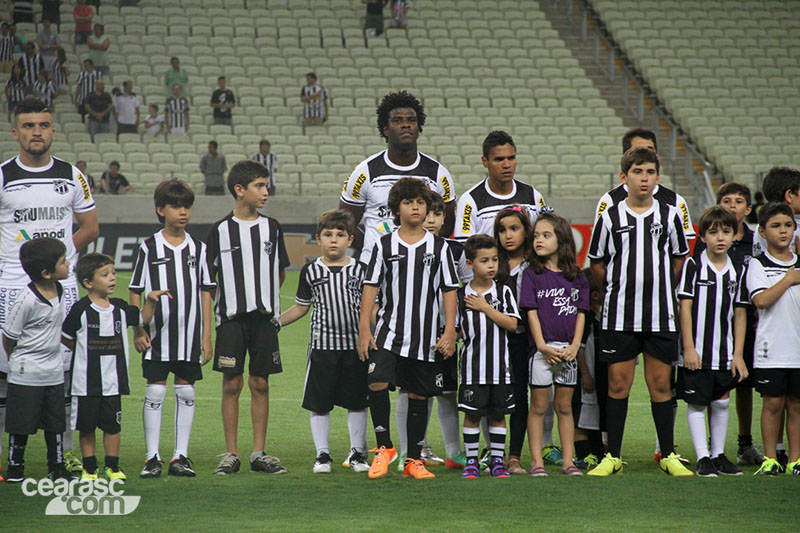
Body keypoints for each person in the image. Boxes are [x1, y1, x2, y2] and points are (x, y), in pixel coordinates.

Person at [0, 99, 99, 476]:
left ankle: (65, 454)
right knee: (9, 375)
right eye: (28, 126)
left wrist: (55, 259)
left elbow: (89, 227)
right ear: (15, 133)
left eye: (43, 125)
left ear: (53, 130)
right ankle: (11, 458)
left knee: (66, 370)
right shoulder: (3, 175)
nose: (36, 132)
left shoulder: (72, 175)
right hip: (11, 286)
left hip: (63, 288)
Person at [587, 146, 693, 476]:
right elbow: (597, 263)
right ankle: (613, 457)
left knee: (661, 385)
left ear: (657, 178)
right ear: (624, 177)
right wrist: (620, 285)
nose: (643, 178)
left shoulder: (670, 214)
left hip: (661, 315)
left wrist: (660, 286)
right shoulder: (610, 216)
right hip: (619, 315)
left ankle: (667, 455)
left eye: (649, 172)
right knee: (618, 385)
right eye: (637, 172)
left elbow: (679, 258)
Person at [357, 177, 458, 480]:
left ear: (427, 207)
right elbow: (370, 287)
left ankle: (414, 459)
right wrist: (364, 329)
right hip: (388, 334)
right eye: (408, 202)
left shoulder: (439, 247)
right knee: (376, 381)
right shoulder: (384, 244)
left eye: (420, 202)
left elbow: (450, 290)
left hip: (425, 338)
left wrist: (450, 331)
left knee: (418, 395)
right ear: (396, 208)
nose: (415, 207)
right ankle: (384, 447)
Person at [206, 160, 290, 476]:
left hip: (264, 319)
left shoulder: (272, 227)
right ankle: (231, 453)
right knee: (231, 383)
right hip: (231, 320)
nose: (266, 192)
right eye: (259, 186)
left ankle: (258, 453)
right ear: (240, 190)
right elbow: (209, 279)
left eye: (266, 186)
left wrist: (263, 298)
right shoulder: (219, 230)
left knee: (260, 383)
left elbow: (280, 272)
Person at [130, 180, 215, 479]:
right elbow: (136, 290)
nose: (183, 212)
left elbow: (206, 292)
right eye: (177, 206)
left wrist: (206, 335)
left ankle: (181, 455)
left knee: (186, 390)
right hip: (157, 336)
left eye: (187, 206)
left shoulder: (199, 248)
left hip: (189, 335)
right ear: (160, 209)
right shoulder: (148, 246)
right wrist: (138, 330)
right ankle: (152, 457)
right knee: (154, 391)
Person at [279, 209, 370, 474]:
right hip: (322, 348)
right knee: (319, 403)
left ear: (350, 240)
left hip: (356, 349)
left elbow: (371, 307)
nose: (334, 240)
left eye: (340, 235)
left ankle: (357, 453)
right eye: (328, 235)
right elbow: (300, 307)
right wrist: (274, 323)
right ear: (318, 239)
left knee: (357, 401)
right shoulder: (310, 271)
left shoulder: (360, 270)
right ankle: (322, 454)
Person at [62, 253, 166, 481]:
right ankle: (90, 468)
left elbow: (143, 319)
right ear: (88, 282)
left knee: (113, 427)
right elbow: (66, 337)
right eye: (105, 274)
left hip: (113, 382)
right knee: (87, 428)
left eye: (113, 273)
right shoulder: (80, 310)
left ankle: (112, 466)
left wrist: (150, 300)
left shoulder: (119, 308)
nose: (112, 278)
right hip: (85, 383)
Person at [394, 192, 471, 472]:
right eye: (427, 214)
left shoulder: (455, 250)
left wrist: (457, 329)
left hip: (445, 333)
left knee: (447, 392)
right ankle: (409, 450)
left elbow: (470, 289)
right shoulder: (401, 245)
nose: (431, 220)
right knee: (410, 391)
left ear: (444, 217)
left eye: (437, 215)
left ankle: (453, 452)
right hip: (412, 334)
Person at [340, 91, 457, 264]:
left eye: (411, 120)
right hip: (376, 267)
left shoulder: (438, 173)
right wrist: (373, 248)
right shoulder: (364, 172)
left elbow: (447, 224)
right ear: (386, 130)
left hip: (421, 266)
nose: (405, 125)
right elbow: (344, 222)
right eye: (397, 120)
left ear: (419, 127)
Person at [693, 182, 764, 466]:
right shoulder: (699, 255)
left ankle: (733, 448)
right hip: (705, 337)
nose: (732, 206)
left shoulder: (749, 251)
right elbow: (688, 300)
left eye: (738, 201)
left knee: (734, 390)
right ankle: (707, 452)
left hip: (738, 334)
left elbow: (744, 304)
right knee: (706, 393)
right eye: (727, 200)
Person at [676, 206, 749, 477]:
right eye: (713, 232)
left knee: (721, 401)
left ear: (733, 236)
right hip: (698, 351)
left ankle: (718, 454)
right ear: (703, 237)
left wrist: (738, 353)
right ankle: (702, 457)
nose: (720, 237)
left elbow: (740, 312)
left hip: (725, 350)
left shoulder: (738, 269)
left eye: (726, 232)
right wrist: (688, 348)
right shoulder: (694, 265)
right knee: (697, 402)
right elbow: (685, 306)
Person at [519, 213, 588, 476]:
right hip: (541, 353)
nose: (538, 240)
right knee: (538, 406)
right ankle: (536, 461)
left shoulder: (577, 277)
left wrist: (575, 346)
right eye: (536, 235)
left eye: (545, 235)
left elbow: (582, 313)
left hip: (567, 352)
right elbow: (531, 312)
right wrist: (541, 346)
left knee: (564, 407)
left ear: (561, 239)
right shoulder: (532, 275)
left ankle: (569, 462)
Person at [2, 238, 71, 483]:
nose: (68, 264)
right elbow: (9, 336)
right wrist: (18, 361)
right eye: (63, 262)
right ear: (46, 272)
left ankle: (57, 467)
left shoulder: (60, 290)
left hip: (53, 371)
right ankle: (15, 468)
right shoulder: (26, 301)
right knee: (21, 424)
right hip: (27, 372)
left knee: (55, 424)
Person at [493, 206, 556, 473]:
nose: (508, 235)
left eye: (514, 229)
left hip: (529, 341)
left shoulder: (536, 265)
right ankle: (493, 452)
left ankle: (518, 456)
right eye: (502, 230)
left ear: (526, 232)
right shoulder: (492, 262)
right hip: (497, 340)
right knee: (496, 397)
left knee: (525, 399)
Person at [458, 234, 520, 479]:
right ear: (470, 263)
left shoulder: (504, 292)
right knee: (472, 415)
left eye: (495, 259)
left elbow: (513, 324)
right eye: (485, 260)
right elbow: (455, 329)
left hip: (500, 369)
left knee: (498, 414)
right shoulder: (462, 295)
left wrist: (485, 307)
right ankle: (471, 461)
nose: (492, 265)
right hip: (473, 369)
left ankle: (498, 461)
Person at [747, 201, 800, 476]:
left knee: (796, 404)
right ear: (763, 231)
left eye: (788, 225)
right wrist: (789, 279)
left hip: (798, 347)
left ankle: (795, 460)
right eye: (776, 226)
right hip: (771, 348)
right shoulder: (758, 264)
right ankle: (770, 458)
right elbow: (761, 299)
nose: (783, 231)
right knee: (773, 403)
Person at [454, 131, 548, 243]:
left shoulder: (533, 196)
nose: (507, 165)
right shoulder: (469, 201)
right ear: (485, 162)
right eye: (499, 159)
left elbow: (545, 238)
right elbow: (465, 248)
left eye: (511, 158)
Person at [573, 268, 607, 470]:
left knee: (592, 416)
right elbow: (580, 347)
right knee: (582, 416)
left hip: (596, 375)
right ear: (595, 295)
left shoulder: (597, 318)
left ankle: (597, 453)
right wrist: (585, 373)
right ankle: (582, 455)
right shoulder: (584, 319)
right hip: (585, 376)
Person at [74, 59, 101, 124]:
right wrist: (75, 99)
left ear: (91, 65)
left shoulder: (98, 74)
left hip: (95, 101)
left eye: (86, 65)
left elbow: (100, 87)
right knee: (82, 119)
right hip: (83, 100)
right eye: (84, 66)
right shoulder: (82, 74)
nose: (85, 67)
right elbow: (78, 87)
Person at [85, 78, 112, 142]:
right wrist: (96, 115)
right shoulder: (90, 95)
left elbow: (110, 107)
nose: (103, 86)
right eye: (101, 85)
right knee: (93, 137)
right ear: (96, 85)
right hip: (93, 120)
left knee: (104, 138)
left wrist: (102, 114)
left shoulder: (107, 95)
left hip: (105, 120)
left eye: (103, 85)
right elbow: (87, 106)